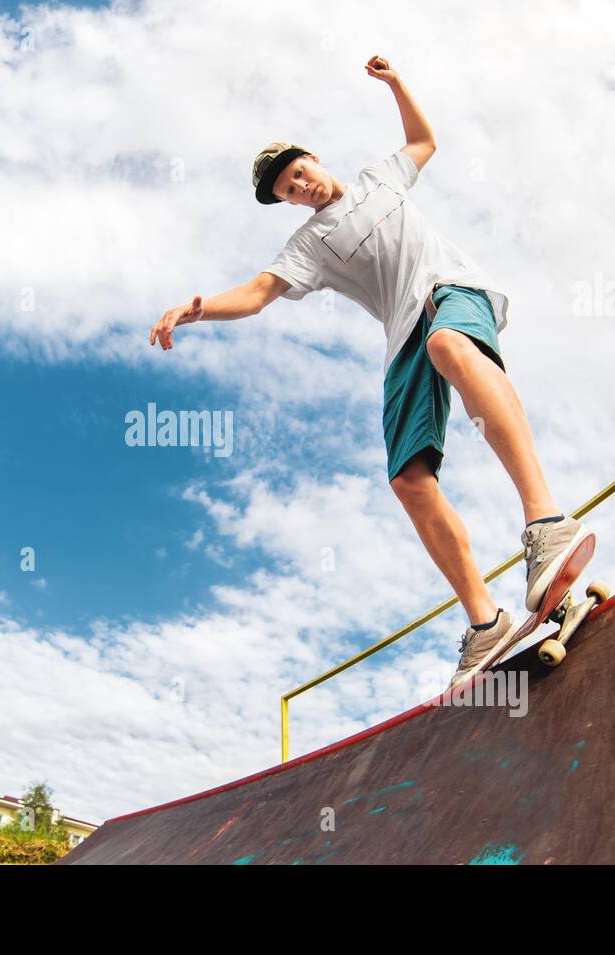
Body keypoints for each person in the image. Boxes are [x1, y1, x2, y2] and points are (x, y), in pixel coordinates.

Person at [148, 55, 592, 690]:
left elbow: (423, 141)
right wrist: (195, 310)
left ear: (314, 160)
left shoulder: (378, 180)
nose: (301, 188)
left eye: (300, 174)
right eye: (289, 192)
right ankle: (486, 623)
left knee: (449, 346)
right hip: (401, 333)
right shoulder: (307, 245)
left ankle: (547, 523)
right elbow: (258, 292)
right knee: (408, 479)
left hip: (452, 291)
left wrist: (395, 84)